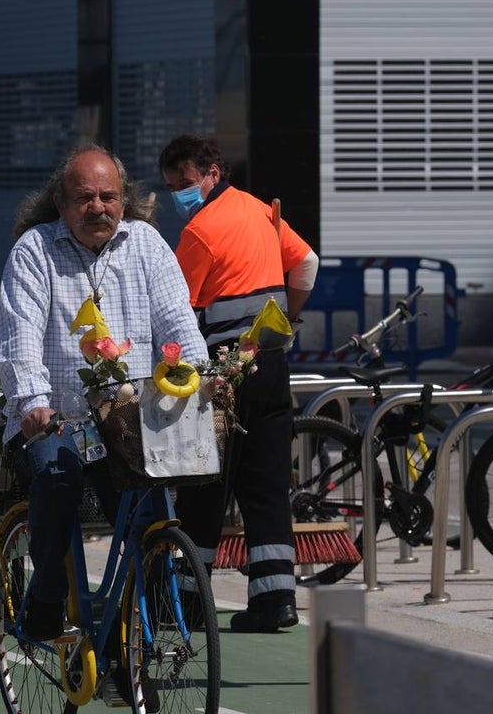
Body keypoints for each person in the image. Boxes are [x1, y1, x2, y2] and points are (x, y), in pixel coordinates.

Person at [0, 145, 208, 643]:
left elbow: (178, 321)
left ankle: (130, 634)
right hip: (60, 418)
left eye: (108, 196)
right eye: (84, 197)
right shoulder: (34, 250)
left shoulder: (149, 245)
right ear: (62, 204)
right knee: (56, 475)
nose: (98, 207)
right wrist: (31, 404)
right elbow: (19, 337)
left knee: (151, 513)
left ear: (124, 199)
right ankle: (46, 598)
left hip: (129, 420)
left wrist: (202, 377)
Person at [158, 134, 319, 633]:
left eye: (184, 183)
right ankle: (276, 601)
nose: (179, 195)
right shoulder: (258, 211)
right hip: (270, 362)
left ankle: (186, 605)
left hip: (224, 370)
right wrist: (285, 319)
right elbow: (307, 263)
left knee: (204, 484)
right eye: (171, 187)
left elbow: (175, 309)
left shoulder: (200, 231)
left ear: (211, 172)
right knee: (267, 485)